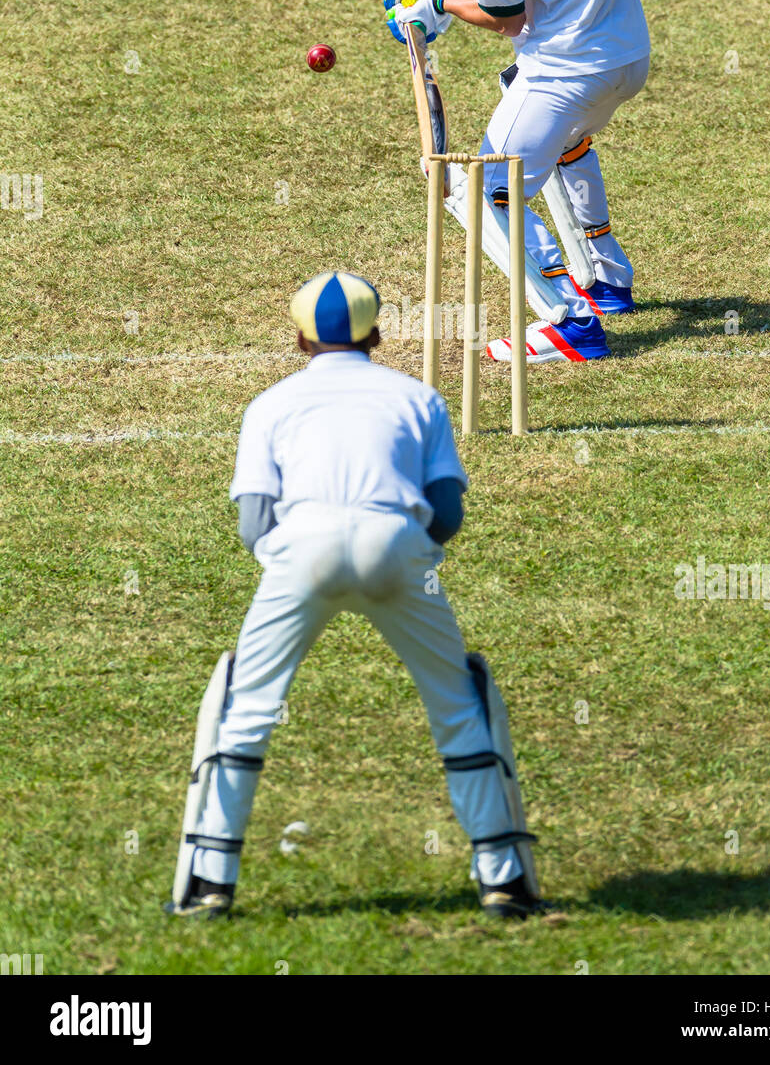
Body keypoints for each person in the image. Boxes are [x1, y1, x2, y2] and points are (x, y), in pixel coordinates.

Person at [167, 271, 541, 920]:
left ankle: (209, 882)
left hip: (300, 548)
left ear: (298, 338)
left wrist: (296, 562)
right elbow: (448, 512)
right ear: (377, 334)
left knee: (248, 708)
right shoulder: (418, 397)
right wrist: (403, 548)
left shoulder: (270, 405)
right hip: (397, 542)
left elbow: (254, 524)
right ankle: (502, 875)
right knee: (456, 702)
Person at [384, 0, 650, 364]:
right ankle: (606, 280)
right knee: (561, 139)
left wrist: (435, 7)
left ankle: (570, 321)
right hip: (627, 55)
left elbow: (506, 18)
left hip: (568, 73)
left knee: (474, 189)